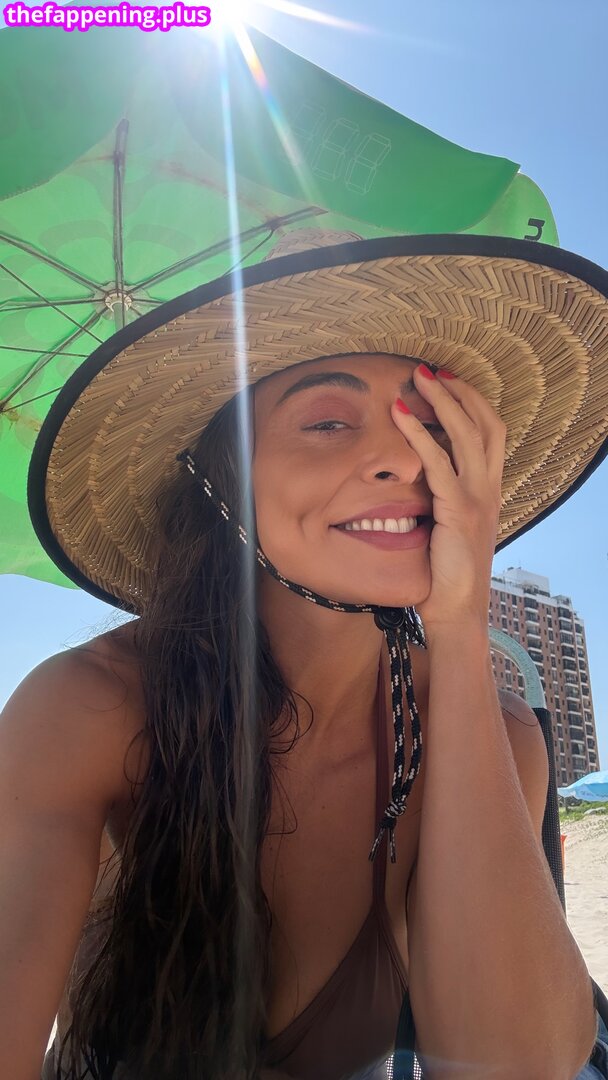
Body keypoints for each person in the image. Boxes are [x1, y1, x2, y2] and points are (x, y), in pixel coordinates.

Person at [2, 230, 606, 1080]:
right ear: (220, 478)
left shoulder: (496, 733)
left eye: (433, 425)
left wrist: (462, 630)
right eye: (327, 421)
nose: (403, 460)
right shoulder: (89, 706)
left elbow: (519, 1065)